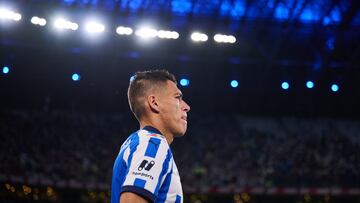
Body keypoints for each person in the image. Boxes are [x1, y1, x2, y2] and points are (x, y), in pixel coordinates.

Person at [111, 69, 191, 203]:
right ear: (154, 103)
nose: (186, 106)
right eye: (177, 97)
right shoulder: (153, 143)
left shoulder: (135, 142)